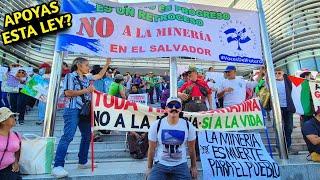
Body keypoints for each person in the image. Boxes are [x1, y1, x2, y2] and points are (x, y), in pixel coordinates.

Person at [52, 57, 111, 178]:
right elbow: (68, 93)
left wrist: (107, 63)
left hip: (84, 110)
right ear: (78, 65)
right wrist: (87, 90)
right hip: (72, 109)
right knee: (68, 136)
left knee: (87, 135)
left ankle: (82, 161)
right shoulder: (70, 76)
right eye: (86, 65)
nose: (88, 68)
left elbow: (99, 75)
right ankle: (58, 165)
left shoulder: (87, 77)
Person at [146, 97, 197, 180]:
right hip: (160, 164)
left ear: (180, 109)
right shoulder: (156, 125)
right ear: (166, 109)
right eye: (170, 106)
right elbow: (151, 148)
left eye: (177, 106)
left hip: (181, 165)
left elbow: (192, 149)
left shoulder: (188, 126)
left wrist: (194, 166)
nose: (174, 108)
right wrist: (149, 168)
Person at [274, 67, 296, 152]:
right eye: (275, 73)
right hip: (277, 107)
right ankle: (279, 146)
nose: (277, 75)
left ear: (283, 73)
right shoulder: (272, 82)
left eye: (279, 73)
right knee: (278, 127)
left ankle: (288, 146)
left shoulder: (288, 81)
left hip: (288, 106)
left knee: (289, 127)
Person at [0, 107, 21, 179]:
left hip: (10, 170)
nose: (14, 118)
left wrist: (16, 161)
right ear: (3, 121)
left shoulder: (16, 135)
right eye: (11, 116)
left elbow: (17, 150)